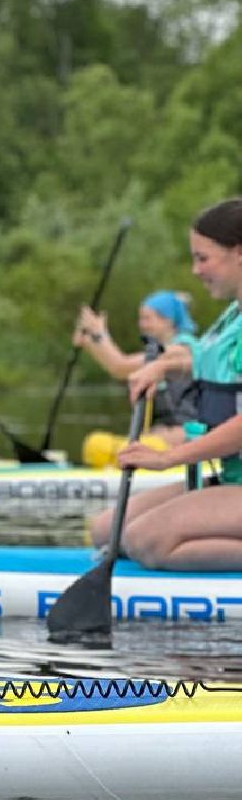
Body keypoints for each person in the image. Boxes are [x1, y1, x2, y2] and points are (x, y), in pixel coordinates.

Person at [88, 198, 242, 569]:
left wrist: (167, 458)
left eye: (203, 258)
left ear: (239, 253)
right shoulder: (233, 315)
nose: (195, 270)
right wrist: (163, 368)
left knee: (147, 541)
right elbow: (209, 363)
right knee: (106, 529)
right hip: (232, 478)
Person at [73, 290, 198, 446]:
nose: (142, 325)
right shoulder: (163, 348)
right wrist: (90, 341)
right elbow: (117, 368)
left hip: (183, 435)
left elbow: (122, 366)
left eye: (148, 318)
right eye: (141, 319)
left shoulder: (183, 348)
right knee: (95, 444)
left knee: (102, 447)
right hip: (159, 435)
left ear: (168, 320)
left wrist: (99, 334)